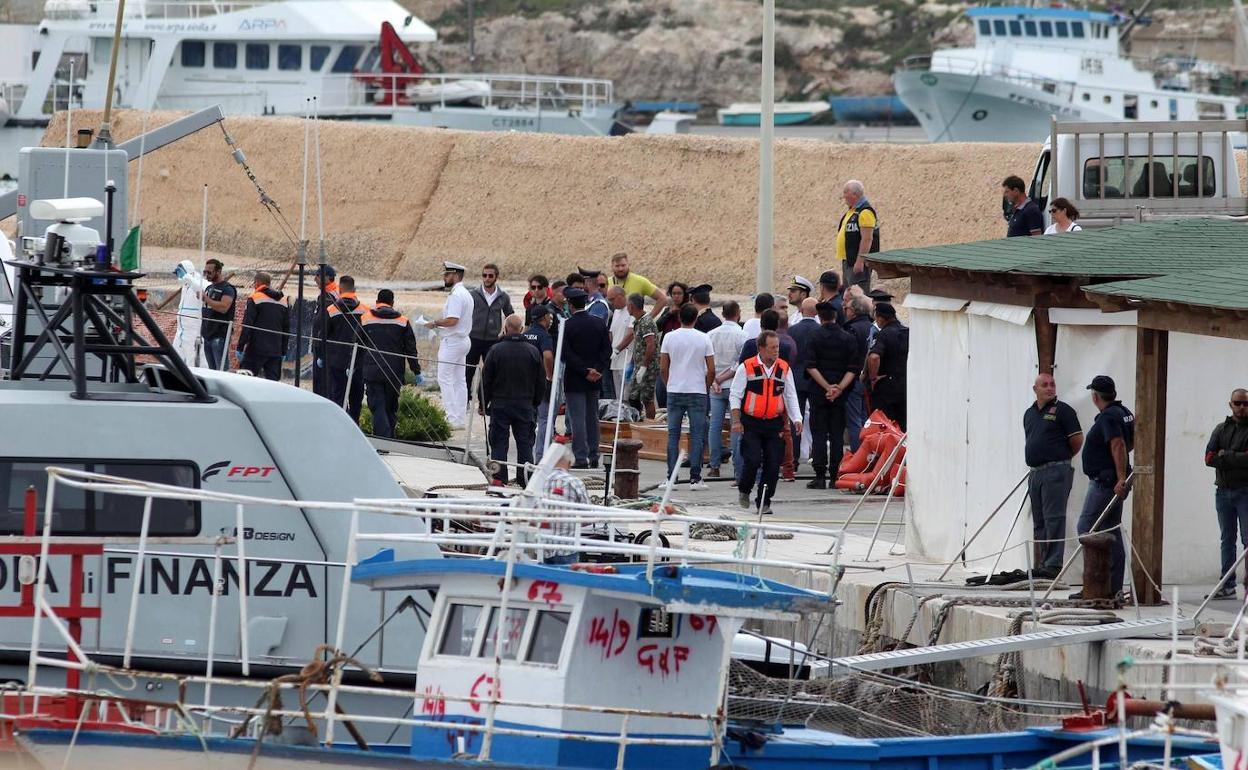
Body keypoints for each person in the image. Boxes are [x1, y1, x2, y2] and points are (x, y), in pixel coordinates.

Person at [1074, 375, 1135, 599]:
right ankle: (1113, 586)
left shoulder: (1108, 417)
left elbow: (1118, 444)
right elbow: (1130, 441)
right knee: (1112, 531)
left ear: (1095, 396)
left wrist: (1120, 477)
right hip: (1113, 479)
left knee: (1087, 528)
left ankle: (1096, 584)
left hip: (1105, 482)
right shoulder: (1124, 412)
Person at [730, 331, 802, 514]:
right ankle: (744, 489)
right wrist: (736, 421)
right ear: (761, 348)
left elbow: (790, 395)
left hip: (774, 424)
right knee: (752, 460)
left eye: (777, 347)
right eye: (772, 347)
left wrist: (797, 418)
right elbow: (736, 395)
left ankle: (764, 501)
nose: (776, 350)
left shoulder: (784, 368)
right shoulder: (746, 367)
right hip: (751, 423)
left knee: (772, 463)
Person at [1023, 373, 1083, 579]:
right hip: (1036, 472)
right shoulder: (1029, 414)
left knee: (1054, 518)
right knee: (1039, 521)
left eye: (1052, 384)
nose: (1050, 388)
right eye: (1045, 385)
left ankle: (1053, 564)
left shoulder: (1063, 411)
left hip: (1056, 470)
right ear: (1035, 389)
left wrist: (1061, 458)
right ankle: (1042, 562)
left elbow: (1077, 440)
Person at [803, 301, 862, 489]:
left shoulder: (813, 337)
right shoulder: (848, 338)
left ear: (820, 318)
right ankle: (835, 475)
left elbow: (811, 366)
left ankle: (819, 475)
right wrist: (839, 389)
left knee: (819, 433)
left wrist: (827, 387)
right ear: (835, 316)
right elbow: (853, 368)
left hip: (818, 393)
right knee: (837, 434)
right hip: (840, 395)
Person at [482, 315, 545, 487]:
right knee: (525, 443)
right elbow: (541, 381)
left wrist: (483, 403)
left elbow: (486, 380)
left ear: (506, 327)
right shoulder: (533, 351)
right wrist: (535, 402)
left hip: (500, 403)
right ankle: (526, 480)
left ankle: (498, 479)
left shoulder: (495, 350)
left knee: (498, 443)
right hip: (525, 404)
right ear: (521, 329)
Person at [660, 303, 715, 491]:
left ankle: (671, 478)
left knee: (673, 434)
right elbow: (711, 368)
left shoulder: (669, 337)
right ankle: (695, 478)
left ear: (680, 318)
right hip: (697, 390)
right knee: (697, 435)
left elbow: (663, 367)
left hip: (675, 389)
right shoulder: (704, 338)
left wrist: (670, 384)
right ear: (696, 318)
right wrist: (705, 385)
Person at [560, 287, 611, 468]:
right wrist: (597, 369)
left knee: (577, 419)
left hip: (575, 378)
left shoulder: (567, 325)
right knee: (592, 417)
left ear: (570, 305)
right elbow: (606, 350)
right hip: (595, 378)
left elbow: (565, 353)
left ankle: (581, 457)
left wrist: (583, 371)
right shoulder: (598, 324)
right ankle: (594, 454)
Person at [1205, 388, 1248, 599]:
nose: (1242, 407)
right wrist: (1237, 457)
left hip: (1245, 492)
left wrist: (1226, 455)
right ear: (1230, 404)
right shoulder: (1221, 429)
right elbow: (1208, 458)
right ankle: (1227, 584)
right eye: (1238, 403)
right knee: (1227, 539)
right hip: (1223, 492)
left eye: (1245, 404)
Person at [361, 289, 421, 439]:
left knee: (378, 406)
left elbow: (358, 345)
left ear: (376, 302)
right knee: (390, 407)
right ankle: (389, 439)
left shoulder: (365, 319)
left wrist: (353, 366)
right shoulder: (402, 321)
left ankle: (383, 441)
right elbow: (410, 349)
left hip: (372, 371)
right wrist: (416, 371)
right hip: (394, 372)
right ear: (392, 303)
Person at [427, 261, 474, 430]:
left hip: (453, 341)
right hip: (462, 340)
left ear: (455, 275)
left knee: (445, 379)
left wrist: (434, 323)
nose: (445, 278)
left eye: (447, 275)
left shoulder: (456, 295)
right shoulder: (466, 293)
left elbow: (453, 320)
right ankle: (460, 418)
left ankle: (452, 418)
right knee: (459, 380)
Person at [707, 301, 748, 479]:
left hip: (715, 385)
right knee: (735, 425)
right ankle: (736, 468)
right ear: (738, 313)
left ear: (723, 314)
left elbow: (706, 360)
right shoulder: (743, 335)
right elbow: (741, 363)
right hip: (734, 385)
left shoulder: (710, 335)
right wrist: (723, 378)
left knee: (715, 426)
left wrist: (714, 379)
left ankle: (714, 465)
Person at [322, 275, 369, 422]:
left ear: (340, 289)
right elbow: (368, 337)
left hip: (336, 360)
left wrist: (322, 356)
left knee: (337, 396)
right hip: (358, 361)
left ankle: (338, 426)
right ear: (354, 289)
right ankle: (354, 427)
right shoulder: (365, 310)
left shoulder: (330, 310)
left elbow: (323, 335)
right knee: (356, 398)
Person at [538, 442, 592, 564]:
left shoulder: (540, 482)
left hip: (544, 547)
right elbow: (588, 517)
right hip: (567, 548)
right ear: (569, 463)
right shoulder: (575, 483)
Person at [466, 263, 514, 396]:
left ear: (496, 277)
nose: (487, 278)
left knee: (489, 372)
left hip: (492, 340)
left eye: (490, 275)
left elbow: (510, 315)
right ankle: (465, 400)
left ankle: (483, 401)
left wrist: (505, 335)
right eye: (484, 275)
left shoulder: (503, 297)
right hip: (473, 338)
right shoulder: (473, 295)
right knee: (468, 370)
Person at [237, 272, 289, 381]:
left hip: (256, 349)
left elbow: (248, 325)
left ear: (258, 283)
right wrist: (283, 351)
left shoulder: (255, 298)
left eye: (254, 283)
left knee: (245, 381)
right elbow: (286, 328)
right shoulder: (283, 301)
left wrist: (240, 347)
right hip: (276, 350)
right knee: (273, 384)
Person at [866, 302, 908, 430]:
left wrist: (873, 378)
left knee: (885, 428)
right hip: (907, 387)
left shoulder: (883, 334)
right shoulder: (908, 333)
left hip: (886, 389)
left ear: (880, 318)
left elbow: (874, 357)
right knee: (903, 428)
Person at [523, 305, 557, 461]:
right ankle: (541, 457)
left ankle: (526, 457)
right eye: (549, 317)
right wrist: (549, 376)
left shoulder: (525, 334)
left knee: (528, 421)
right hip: (541, 384)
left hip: (526, 384)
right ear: (544, 318)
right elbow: (548, 356)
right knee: (544, 420)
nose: (550, 320)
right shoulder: (545, 336)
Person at [842, 293, 874, 451]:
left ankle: (858, 455)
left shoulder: (851, 330)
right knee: (865, 420)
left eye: (846, 308)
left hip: (853, 380)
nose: (844, 310)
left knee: (854, 421)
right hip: (868, 380)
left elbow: (848, 356)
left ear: (853, 311)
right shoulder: (873, 327)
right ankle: (868, 454)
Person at [836, 180, 879, 292]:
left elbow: (867, 239)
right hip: (849, 261)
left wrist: (860, 261)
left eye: (846, 192)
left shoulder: (865, 212)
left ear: (854, 194)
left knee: (858, 296)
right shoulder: (853, 211)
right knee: (849, 295)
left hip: (857, 263)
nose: (843, 195)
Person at [626, 293, 659, 419]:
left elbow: (650, 345)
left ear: (631, 305)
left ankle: (650, 425)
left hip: (647, 366)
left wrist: (644, 367)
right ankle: (637, 420)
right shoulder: (639, 321)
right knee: (633, 396)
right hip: (639, 365)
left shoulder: (646, 322)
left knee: (647, 398)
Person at [200, 258, 236, 371]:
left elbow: (224, 308)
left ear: (218, 272)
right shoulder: (209, 288)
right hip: (207, 335)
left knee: (221, 371)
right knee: (212, 370)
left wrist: (206, 299)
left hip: (219, 335)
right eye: (205, 272)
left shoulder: (227, 289)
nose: (207, 275)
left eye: (209, 272)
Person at [309, 265, 339, 397]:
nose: (315, 279)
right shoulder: (329, 294)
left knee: (322, 385)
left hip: (324, 346)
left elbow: (324, 323)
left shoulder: (329, 297)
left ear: (327, 278)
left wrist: (319, 347)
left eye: (318, 275)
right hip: (325, 344)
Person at [607, 252, 666, 318]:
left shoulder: (640, 281)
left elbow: (662, 299)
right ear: (612, 266)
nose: (620, 269)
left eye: (623, 265)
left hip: (634, 325)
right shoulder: (606, 283)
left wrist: (649, 318)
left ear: (628, 265)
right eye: (617, 266)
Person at [606, 286, 632, 402]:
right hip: (615, 360)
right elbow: (611, 332)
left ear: (621, 297)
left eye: (612, 299)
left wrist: (617, 350)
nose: (611, 302)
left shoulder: (631, 310)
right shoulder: (616, 311)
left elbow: (631, 334)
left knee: (627, 395)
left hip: (627, 360)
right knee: (619, 396)